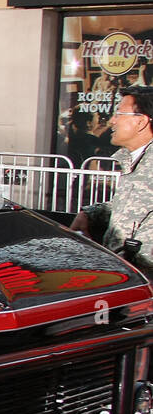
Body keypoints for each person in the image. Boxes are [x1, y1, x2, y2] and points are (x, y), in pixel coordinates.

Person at [70, 86, 153, 274]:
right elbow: (131, 205)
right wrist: (90, 213)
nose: (112, 121)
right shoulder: (134, 159)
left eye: (118, 114)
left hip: (141, 282)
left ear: (141, 122)